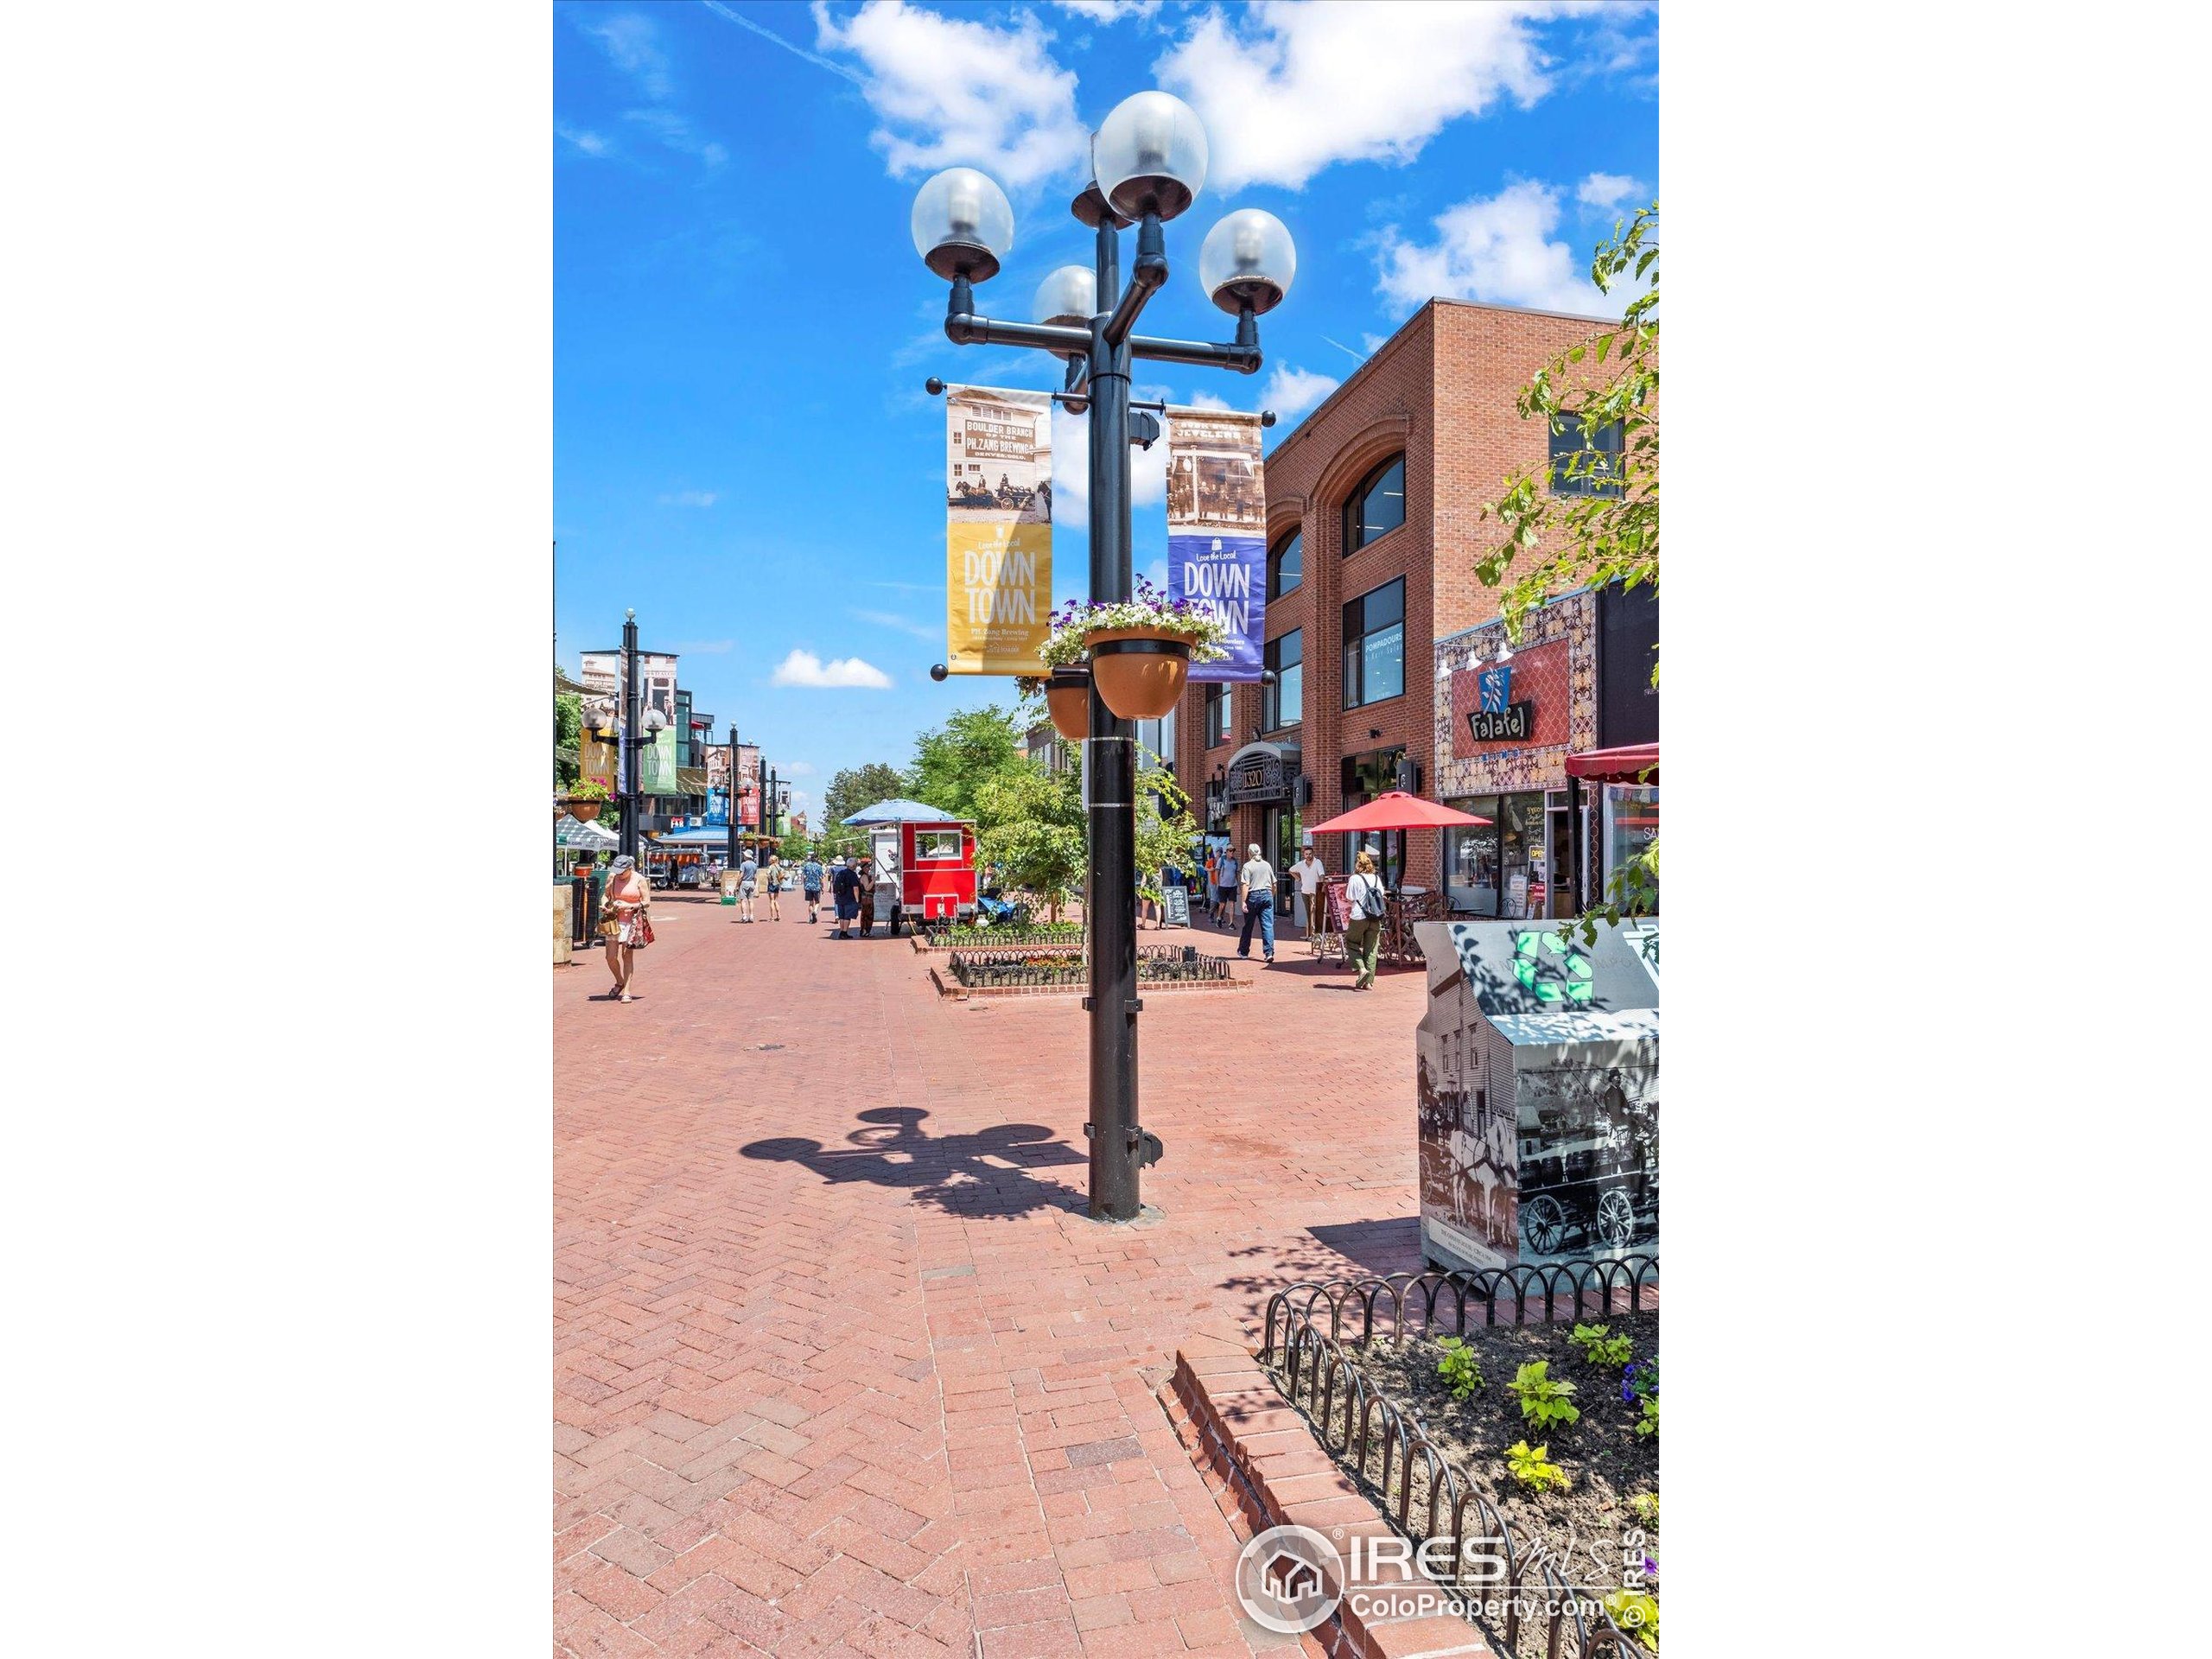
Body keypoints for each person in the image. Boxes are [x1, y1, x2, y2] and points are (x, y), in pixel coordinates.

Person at [602, 854, 652, 1002]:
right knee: (610, 957)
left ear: (629, 869)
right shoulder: (613, 877)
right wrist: (605, 905)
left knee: (627, 956)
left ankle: (627, 991)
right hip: (614, 921)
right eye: (617, 871)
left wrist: (629, 905)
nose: (619, 874)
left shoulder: (639, 879)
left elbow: (647, 902)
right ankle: (620, 981)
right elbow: (605, 896)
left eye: (622, 872)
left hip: (632, 922)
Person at [1344, 849, 1387, 991]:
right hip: (1375, 916)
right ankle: (1369, 983)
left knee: (1351, 942)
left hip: (1359, 916)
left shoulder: (1354, 878)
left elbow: (1350, 897)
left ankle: (1361, 969)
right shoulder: (1376, 878)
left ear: (1357, 864)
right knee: (1371, 949)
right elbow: (1381, 894)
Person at [1236, 841, 1277, 963]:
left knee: (1248, 925)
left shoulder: (1247, 866)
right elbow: (1274, 883)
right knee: (1268, 925)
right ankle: (1268, 953)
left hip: (1253, 896)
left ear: (1249, 853)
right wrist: (1272, 895)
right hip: (1267, 895)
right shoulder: (1267, 865)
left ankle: (1243, 951)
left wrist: (1243, 901)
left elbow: (1245, 885)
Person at [1291, 842, 1326, 936]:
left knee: (1316, 913)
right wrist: (1298, 878)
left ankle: (1316, 934)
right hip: (1305, 891)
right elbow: (1291, 870)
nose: (1308, 856)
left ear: (1313, 854)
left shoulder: (1317, 862)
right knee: (1308, 913)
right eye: (1306, 854)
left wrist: (1321, 885)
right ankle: (1309, 934)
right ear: (1304, 855)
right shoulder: (1301, 864)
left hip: (1315, 892)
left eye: (1310, 854)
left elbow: (1322, 874)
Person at [830, 855, 861, 938]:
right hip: (849, 898)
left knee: (842, 916)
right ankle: (844, 932)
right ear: (854, 866)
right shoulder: (853, 875)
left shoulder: (841, 873)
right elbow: (855, 888)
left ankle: (842, 932)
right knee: (847, 916)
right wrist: (857, 899)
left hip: (840, 897)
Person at [855, 856, 878, 937]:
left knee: (867, 914)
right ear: (864, 868)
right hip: (867, 898)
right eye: (868, 867)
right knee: (867, 915)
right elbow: (867, 888)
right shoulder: (865, 877)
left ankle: (865, 931)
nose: (869, 868)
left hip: (867, 898)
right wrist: (874, 880)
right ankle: (865, 931)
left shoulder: (865, 876)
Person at [801, 850, 825, 924]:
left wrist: (804, 884)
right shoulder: (819, 866)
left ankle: (810, 918)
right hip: (816, 886)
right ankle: (815, 911)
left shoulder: (806, 866)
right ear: (817, 858)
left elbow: (804, 877)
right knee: (817, 902)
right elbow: (821, 878)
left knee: (810, 903)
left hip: (808, 886)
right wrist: (822, 887)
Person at [736, 848, 759, 923]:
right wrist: (754, 884)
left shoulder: (743, 864)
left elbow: (741, 875)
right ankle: (751, 916)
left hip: (744, 882)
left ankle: (744, 916)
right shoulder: (755, 865)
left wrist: (737, 885)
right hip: (751, 882)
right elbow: (755, 877)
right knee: (751, 900)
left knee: (743, 900)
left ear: (746, 856)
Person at [764, 853, 784, 921]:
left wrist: (770, 880)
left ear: (772, 860)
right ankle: (779, 915)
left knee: (771, 901)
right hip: (777, 884)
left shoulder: (771, 867)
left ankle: (772, 917)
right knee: (776, 900)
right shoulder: (778, 866)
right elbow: (783, 873)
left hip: (772, 884)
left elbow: (768, 874)